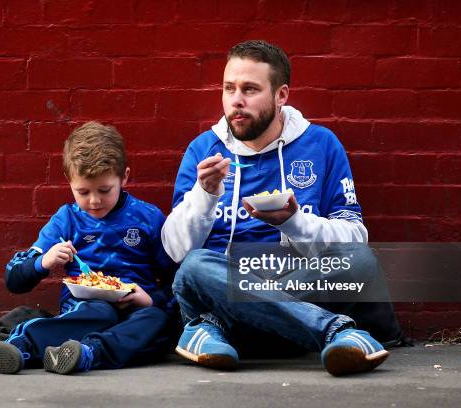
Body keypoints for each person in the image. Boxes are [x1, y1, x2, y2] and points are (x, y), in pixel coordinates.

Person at [162, 40, 403, 376]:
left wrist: (293, 222)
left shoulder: (320, 144)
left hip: (273, 294)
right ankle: (334, 331)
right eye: (229, 88)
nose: (236, 101)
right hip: (228, 281)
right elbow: (175, 250)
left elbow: (354, 238)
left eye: (250, 89)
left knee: (360, 259)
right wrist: (204, 194)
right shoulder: (204, 149)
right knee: (195, 266)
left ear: (281, 95)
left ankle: (211, 327)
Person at [0, 121, 175, 375]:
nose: (94, 201)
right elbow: (14, 279)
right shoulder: (67, 219)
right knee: (101, 312)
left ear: (124, 177)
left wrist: (150, 299)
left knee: (157, 320)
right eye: (83, 191)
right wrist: (43, 261)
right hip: (86, 309)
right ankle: (19, 346)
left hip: (135, 312)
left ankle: (85, 353)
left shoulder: (147, 217)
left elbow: (173, 279)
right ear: (68, 181)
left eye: (104, 190)